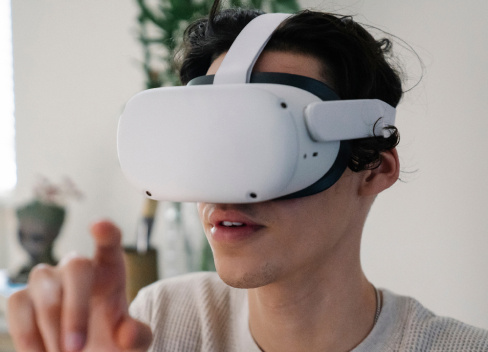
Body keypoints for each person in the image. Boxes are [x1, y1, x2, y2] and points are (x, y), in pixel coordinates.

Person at [7, 1, 488, 351]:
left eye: (261, 146)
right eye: (208, 148)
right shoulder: (159, 323)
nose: (222, 190)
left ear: (374, 170)